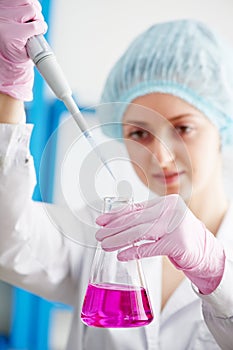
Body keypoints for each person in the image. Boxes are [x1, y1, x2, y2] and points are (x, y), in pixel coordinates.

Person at [0, 1, 233, 349]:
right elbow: (8, 236)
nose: (161, 156)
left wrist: (217, 273)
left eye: (183, 128)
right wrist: (9, 88)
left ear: (222, 125)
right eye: (139, 133)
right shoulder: (103, 234)